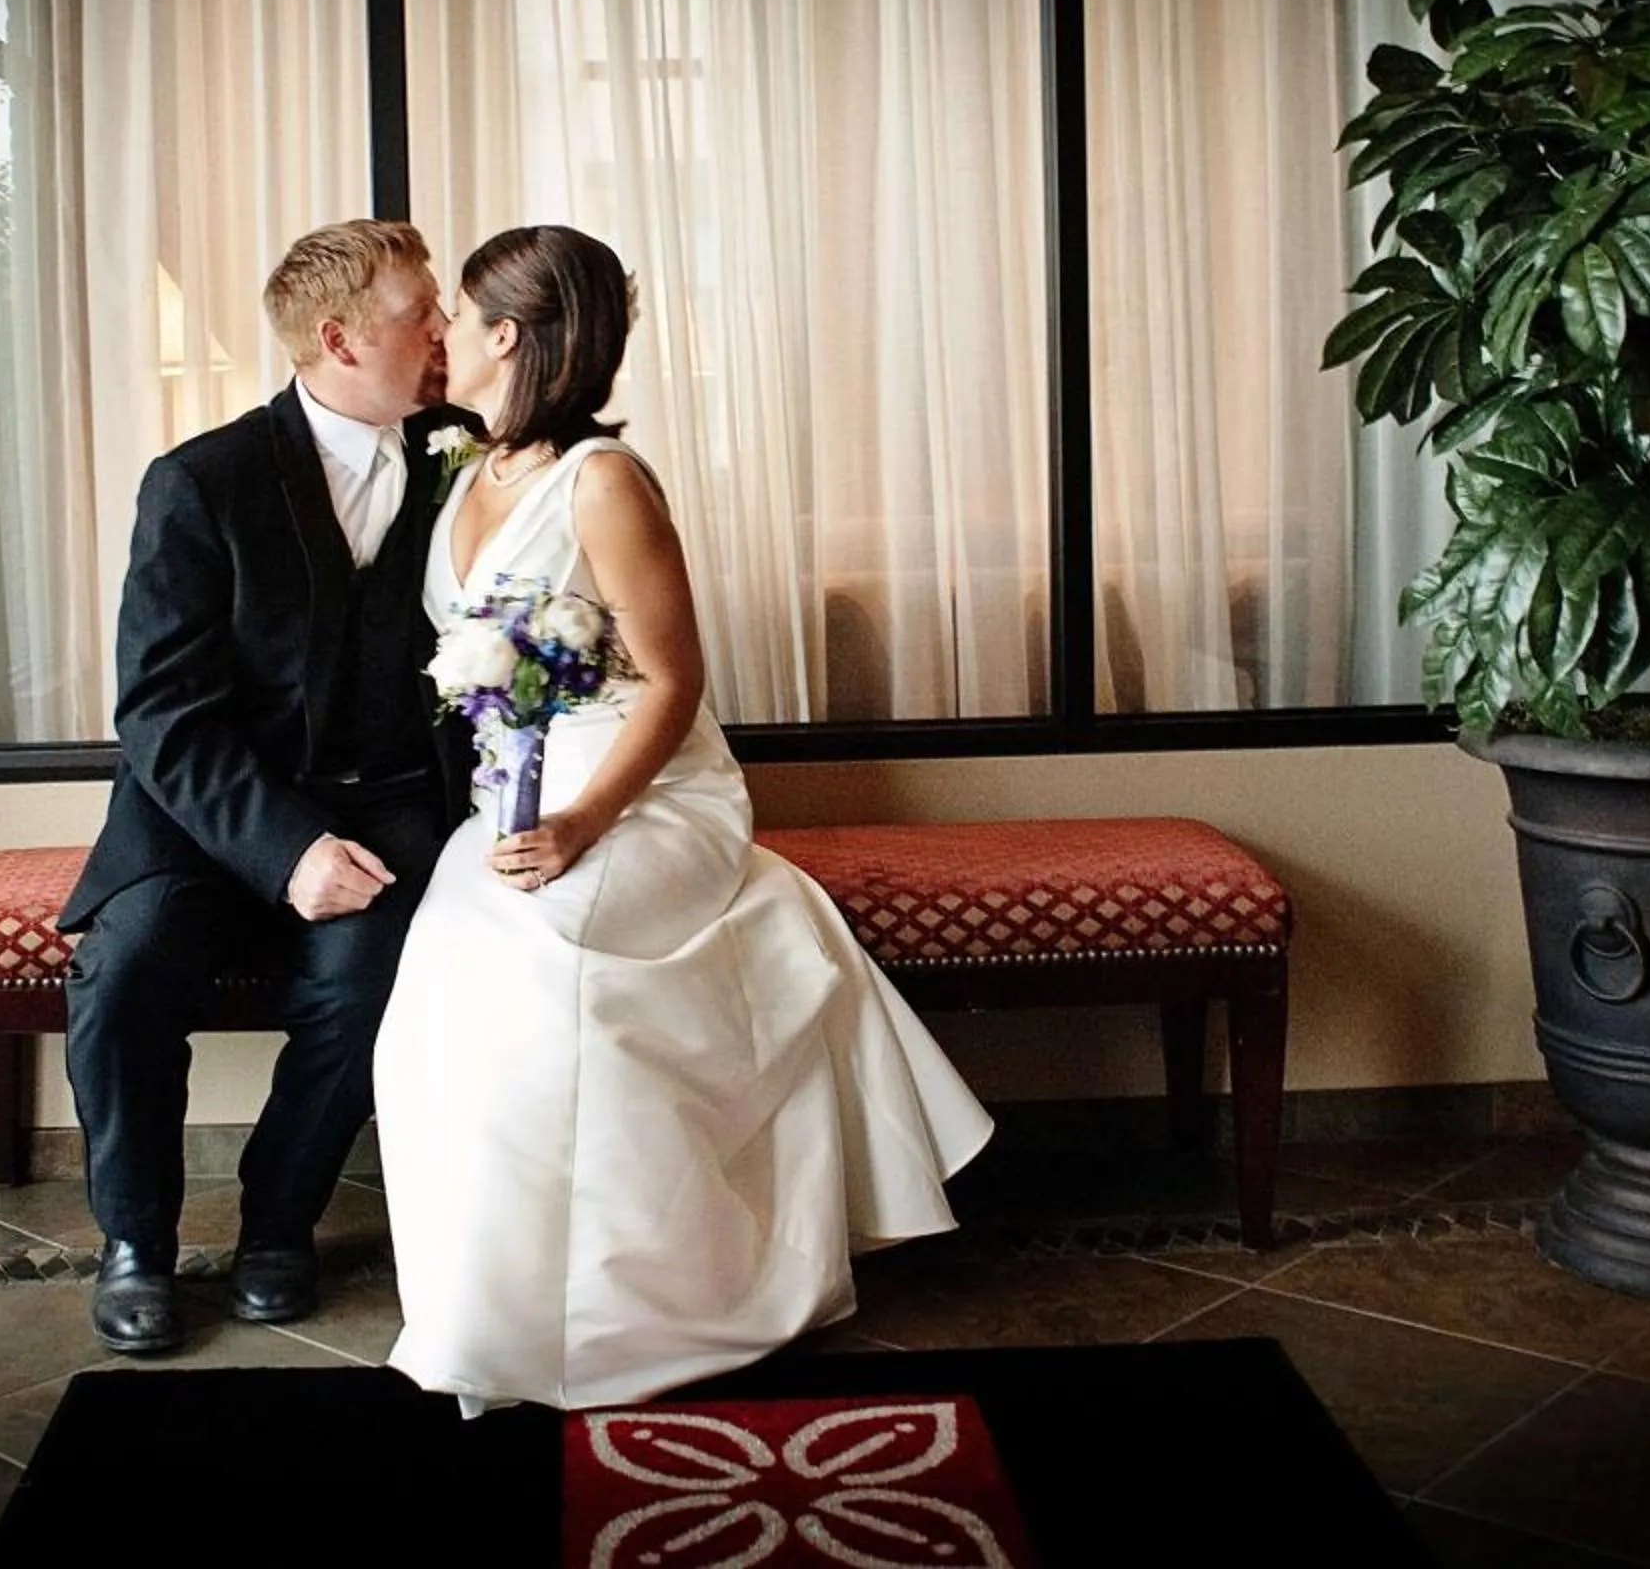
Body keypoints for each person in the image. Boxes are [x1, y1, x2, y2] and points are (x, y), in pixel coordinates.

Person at [374, 223, 994, 1413]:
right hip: (514, 793)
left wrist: (582, 826)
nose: (441, 334)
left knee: (553, 978)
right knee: (436, 1001)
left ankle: (641, 1314)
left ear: (510, 335)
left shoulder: (603, 481)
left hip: (643, 796)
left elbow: (672, 680)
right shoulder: (468, 468)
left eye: (456, 313)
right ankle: (483, 1308)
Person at [59, 218, 471, 1357]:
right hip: (204, 813)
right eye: (419, 313)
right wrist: (289, 852)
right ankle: (134, 1239)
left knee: (372, 973)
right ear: (337, 338)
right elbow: (160, 710)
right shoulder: (202, 481)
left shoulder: (464, 455)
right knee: (126, 966)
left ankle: (278, 1222)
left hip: (388, 800)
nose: (444, 331)